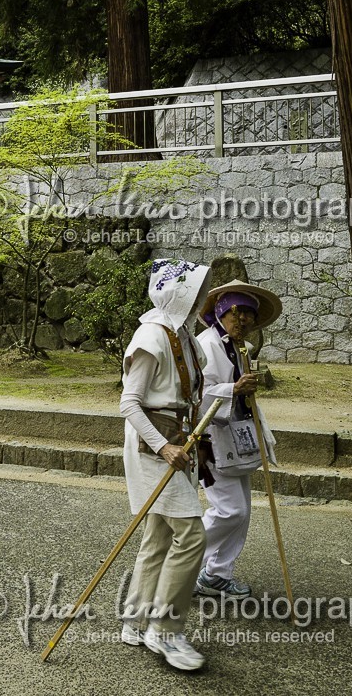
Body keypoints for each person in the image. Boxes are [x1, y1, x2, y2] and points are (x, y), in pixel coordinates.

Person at [119, 258, 213, 672]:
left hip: (178, 438)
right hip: (153, 444)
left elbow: (187, 393)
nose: (200, 298)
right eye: (194, 290)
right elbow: (129, 403)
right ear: (177, 293)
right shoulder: (150, 336)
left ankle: (135, 619)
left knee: (159, 533)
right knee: (191, 534)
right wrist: (162, 448)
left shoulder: (185, 336)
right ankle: (166, 629)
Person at [193, 281, 281, 599]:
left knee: (242, 511)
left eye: (249, 315)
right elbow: (195, 395)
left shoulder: (237, 347)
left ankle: (216, 575)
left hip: (236, 438)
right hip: (209, 440)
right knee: (230, 511)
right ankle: (180, 563)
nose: (243, 320)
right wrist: (233, 390)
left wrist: (243, 389)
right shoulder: (205, 345)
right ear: (221, 311)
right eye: (238, 311)